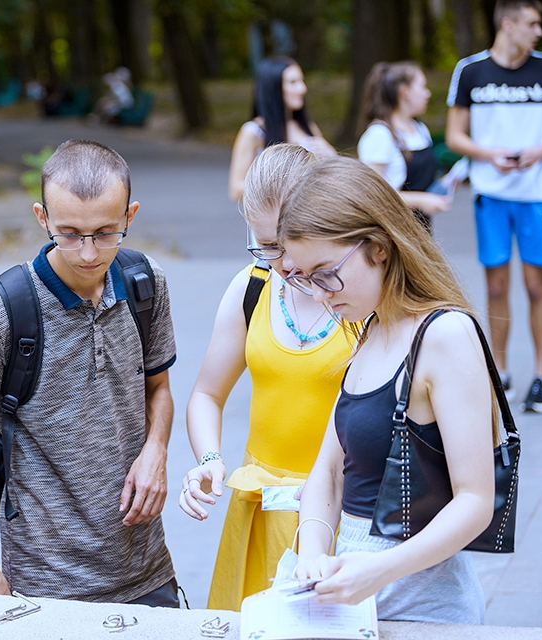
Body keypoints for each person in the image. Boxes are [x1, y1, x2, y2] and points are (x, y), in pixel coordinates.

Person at [0, 139, 178, 606]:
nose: (88, 252)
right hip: (45, 585)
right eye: (69, 233)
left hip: (147, 573)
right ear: (42, 217)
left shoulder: (147, 285)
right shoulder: (0, 315)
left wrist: (157, 450)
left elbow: (160, 388)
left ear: (130, 216)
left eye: (106, 232)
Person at [278, 156, 496, 623]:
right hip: (350, 598)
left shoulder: (445, 334)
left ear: (377, 246)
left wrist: (377, 571)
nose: (319, 294)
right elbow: (328, 472)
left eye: (325, 272)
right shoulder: (370, 326)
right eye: (304, 276)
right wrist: (313, 552)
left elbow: (476, 500)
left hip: (422, 605)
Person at [179, 144, 355, 611]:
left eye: (286, 241)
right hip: (261, 510)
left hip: (343, 510)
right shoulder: (253, 285)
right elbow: (206, 394)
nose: (280, 260)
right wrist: (210, 458)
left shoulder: (357, 295)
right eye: (265, 245)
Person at [446, 0, 542, 412]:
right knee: (496, 286)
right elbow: (454, 136)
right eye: (532, 24)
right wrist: (488, 155)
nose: (539, 31)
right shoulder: (471, 70)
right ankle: (499, 372)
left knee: (537, 286)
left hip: (537, 194)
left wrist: (541, 150)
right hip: (492, 194)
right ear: (508, 24)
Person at [357, 61, 453, 232]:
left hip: (421, 230)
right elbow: (373, 195)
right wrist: (421, 200)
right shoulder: (380, 135)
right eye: (423, 87)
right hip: (394, 233)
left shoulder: (420, 130)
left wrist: (444, 184)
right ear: (405, 92)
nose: (428, 93)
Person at [228, 57, 336, 202]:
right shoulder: (254, 132)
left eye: (301, 81)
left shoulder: (309, 128)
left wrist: (332, 156)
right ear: (273, 88)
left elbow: (331, 175)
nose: (303, 89)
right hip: (275, 220)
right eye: (293, 82)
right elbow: (236, 190)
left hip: (310, 217)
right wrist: (277, 182)